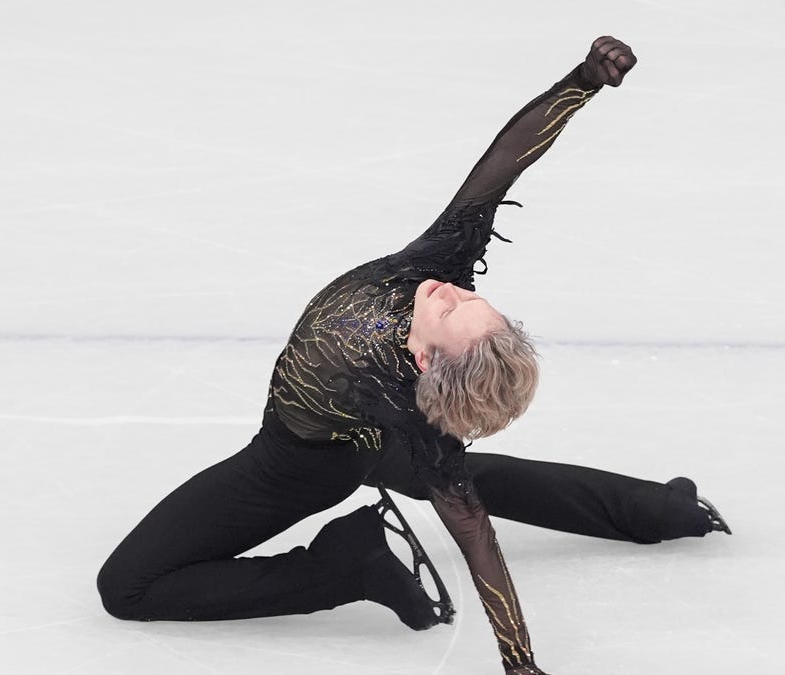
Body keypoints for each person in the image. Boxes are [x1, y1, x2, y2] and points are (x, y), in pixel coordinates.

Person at [96, 36, 728, 674]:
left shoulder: (377, 371)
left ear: (429, 361)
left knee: (126, 589)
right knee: (463, 473)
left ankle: (343, 566)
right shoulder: (435, 271)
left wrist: (519, 662)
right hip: (371, 432)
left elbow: (475, 534)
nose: (452, 290)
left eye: (453, 309)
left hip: (296, 465)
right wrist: (583, 82)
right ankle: (662, 510)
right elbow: (505, 162)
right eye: (470, 297)